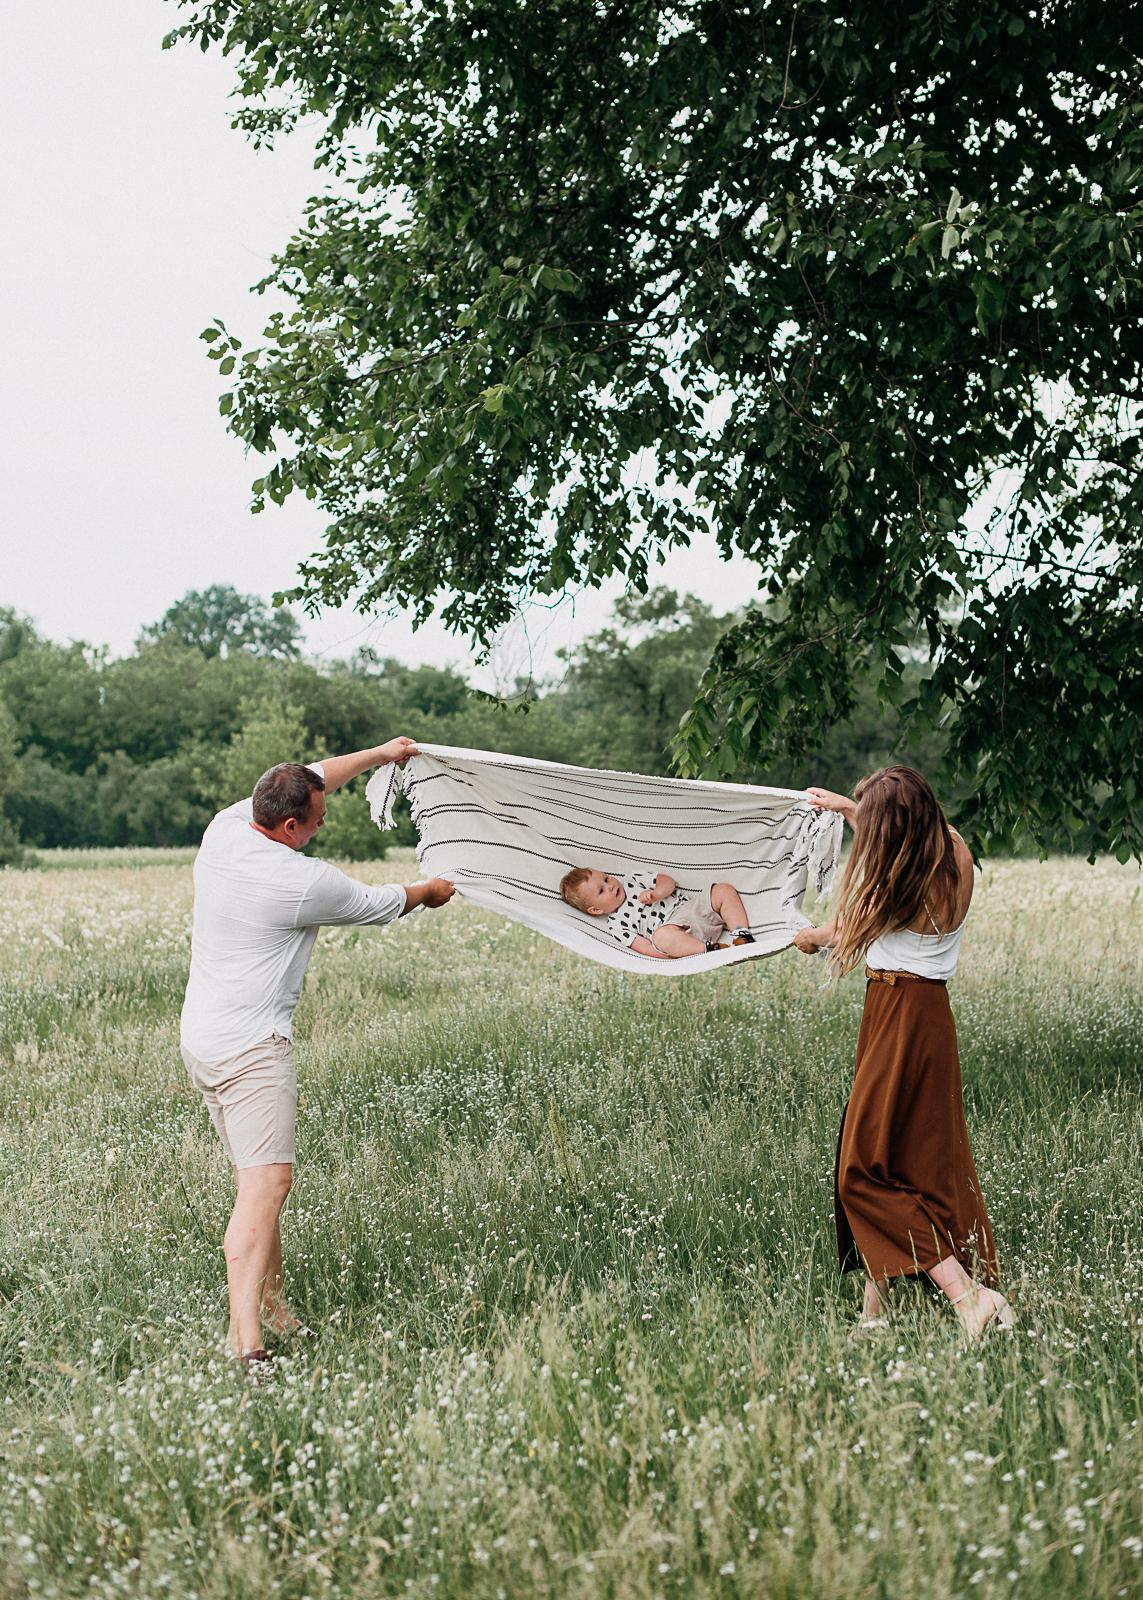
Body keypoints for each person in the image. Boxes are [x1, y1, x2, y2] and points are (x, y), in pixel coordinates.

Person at [180, 738, 455, 1370]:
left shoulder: (226, 828)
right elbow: (383, 903)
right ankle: (246, 1344)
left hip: (203, 1039)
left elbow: (316, 776)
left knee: (257, 1180)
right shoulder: (301, 881)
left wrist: (381, 755)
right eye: (318, 820)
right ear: (290, 827)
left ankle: (275, 1309)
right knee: (267, 1184)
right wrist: (430, 890)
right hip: (251, 1050)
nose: (323, 826)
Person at [793, 768, 1016, 1343]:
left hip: (898, 1014)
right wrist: (849, 808)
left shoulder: (896, 888)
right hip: (928, 1015)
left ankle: (969, 1298)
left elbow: (838, 935)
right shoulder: (952, 849)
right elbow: (899, 835)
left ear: (894, 830)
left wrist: (804, 935)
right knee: (903, 1161)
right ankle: (876, 1314)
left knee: (862, 1173)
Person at [559, 865, 755, 957]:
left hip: (692, 908)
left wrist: (657, 893)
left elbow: (667, 881)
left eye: (606, 878)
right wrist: (669, 954)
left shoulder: (632, 879)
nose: (610, 885)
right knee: (661, 937)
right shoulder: (616, 925)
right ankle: (711, 949)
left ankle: (742, 935)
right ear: (595, 909)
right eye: (601, 891)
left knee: (722, 890)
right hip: (679, 935)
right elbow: (645, 948)